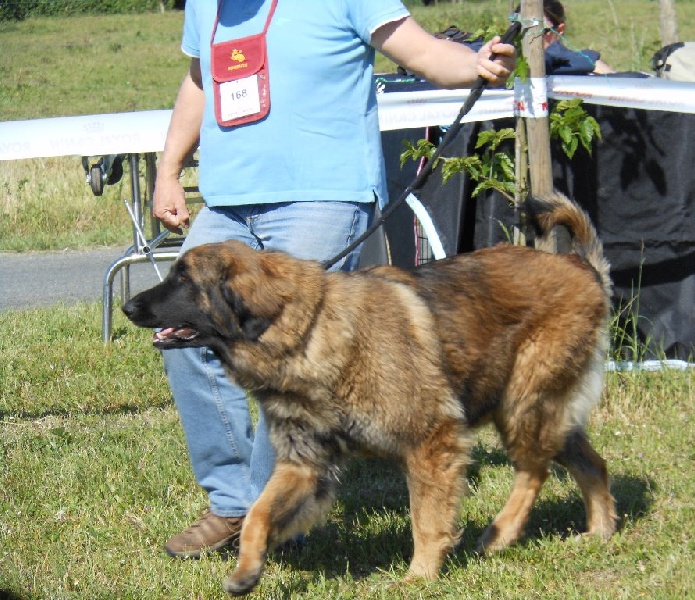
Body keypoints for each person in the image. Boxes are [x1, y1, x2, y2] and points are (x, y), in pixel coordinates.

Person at [152, 0, 515, 558]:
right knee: (183, 342)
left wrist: (476, 64)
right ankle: (231, 503)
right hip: (226, 203)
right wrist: (169, 168)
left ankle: (268, 515)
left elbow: (420, 51)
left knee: (287, 357)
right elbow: (200, 82)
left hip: (322, 194)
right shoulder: (207, 4)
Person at [543, 0, 615, 75]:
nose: (531, 38)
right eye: (529, 30)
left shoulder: (589, 68)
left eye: (539, 30)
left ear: (559, 30)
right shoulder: (587, 63)